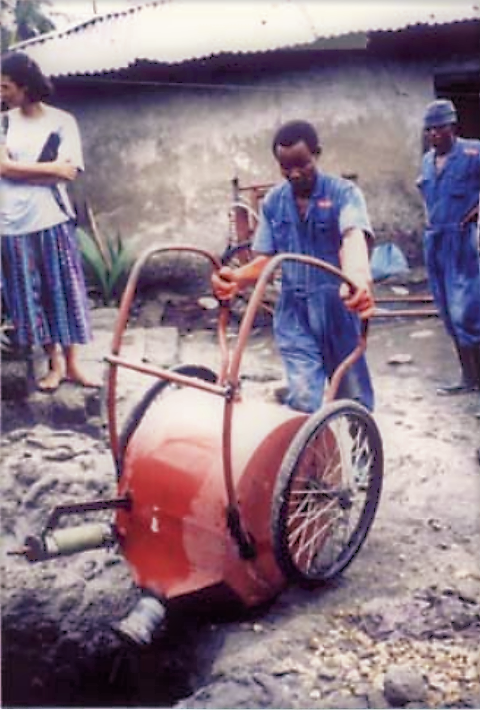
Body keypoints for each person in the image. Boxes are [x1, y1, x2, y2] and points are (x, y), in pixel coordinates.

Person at [212, 119, 375, 413]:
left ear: (317, 154)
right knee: (303, 398)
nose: (294, 173)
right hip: (294, 312)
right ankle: (311, 456)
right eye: (285, 168)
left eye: (302, 164)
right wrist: (235, 279)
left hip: (337, 308)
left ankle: (359, 454)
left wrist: (358, 278)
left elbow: (353, 236)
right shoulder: (274, 201)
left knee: (352, 398)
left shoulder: (344, 193)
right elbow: (265, 260)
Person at [0, 51, 99, 392]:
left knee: (63, 291)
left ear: (25, 86)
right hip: (12, 222)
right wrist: (48, 170)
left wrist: (20, 171)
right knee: (32, 296)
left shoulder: (61, 121)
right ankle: (53, 363)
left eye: (6, 87)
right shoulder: (3, 122)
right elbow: (2, 168)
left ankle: (73, 364)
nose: (2, 94)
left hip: (53, 218)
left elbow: (68, 171)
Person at [417, 99, 480, 400]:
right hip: (435, 242)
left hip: (461, 240)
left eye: (438, 128)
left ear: (452, 127)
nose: (433, 135)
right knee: (446, 310)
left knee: (466, 311)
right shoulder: (427, 161)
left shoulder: (472, 152)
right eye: (429, 130)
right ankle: (467, 377)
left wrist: (475, 212)